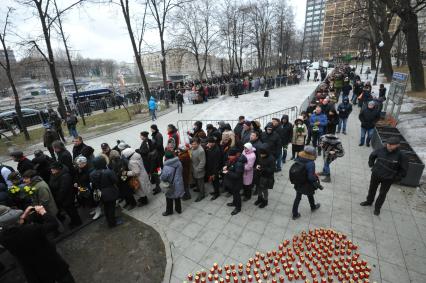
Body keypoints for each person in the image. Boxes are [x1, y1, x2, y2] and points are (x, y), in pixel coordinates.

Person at [0, 205, 76, 283]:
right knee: (65, 278)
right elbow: (53, 224)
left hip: (34, 271)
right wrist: (43, 212)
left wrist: (23, 216)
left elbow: (15, 229)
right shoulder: (32, 229)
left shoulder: (3, 238)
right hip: (51, 263)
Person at [360, 137, 408, 215]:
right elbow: (372, 155)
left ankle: (377, 208)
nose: (389, 145)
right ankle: (369, 201)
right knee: (372, 189)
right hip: (376, 175)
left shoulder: (401, 156)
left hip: (388, 179)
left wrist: (395, 178)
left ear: (397, 145)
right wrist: (371, 164)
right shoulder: (381, 149)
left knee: (382, 193)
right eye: (388, 144)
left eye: (392, 145)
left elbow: (404, 170)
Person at [290, 146, 322, 220]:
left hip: (299, 181)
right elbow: (310, 177)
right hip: (306, 183)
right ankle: (313, 207)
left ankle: (295, 214)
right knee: (310, 194)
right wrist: (316, 177)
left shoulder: (300, 157)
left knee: (298, 197)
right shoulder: (311, 163)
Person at [49, 162, 82, 229]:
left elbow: (63, 189)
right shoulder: (55, 174)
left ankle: (77, 222)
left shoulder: (65, 176)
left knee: (72, 210)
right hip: (62, 197)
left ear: (58, 169)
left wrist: (59, 198)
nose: (51, 170)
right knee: (69, 211)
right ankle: (74, 221)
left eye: (53, 169)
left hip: (67, 197)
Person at [90, 156, 121, 227]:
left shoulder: (91, 174)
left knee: (106, 207)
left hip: (100, 193)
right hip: (110, 192)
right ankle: (112, 223)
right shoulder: (108, 172)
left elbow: (93, 184)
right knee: (111, 208)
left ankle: (109, 220)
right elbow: (115, 180)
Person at [161, 150, 185, 216]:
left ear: (166, 158)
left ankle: (169, 211)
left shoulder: (167, 167)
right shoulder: (178, 162)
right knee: (177, 196)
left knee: (169, 197)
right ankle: (178, 210)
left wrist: (160, 176)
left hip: (171, 184)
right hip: (178, 182)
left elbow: (164, 177)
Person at [223, 148, 246, 215]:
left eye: (230, 155)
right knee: (234, 193)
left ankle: (238, 208)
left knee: (237, 195)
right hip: (232, 182)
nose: (228, 157)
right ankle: (234, 202)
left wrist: (227, 172)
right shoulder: (232, 160)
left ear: (234, 156)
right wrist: (226, 166)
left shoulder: (239, 164)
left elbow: (237, 175)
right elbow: (230, 165)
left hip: (237, 183)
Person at [190, 137, 206, 202]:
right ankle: (198, 189)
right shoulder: (193, 148)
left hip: (199, 170)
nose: (193, 145)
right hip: (194, 168)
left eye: (195, 144)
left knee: (200, 183)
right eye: (192, 144)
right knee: (197, 181)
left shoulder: (201, 151)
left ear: (198, 144)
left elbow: (203, 162)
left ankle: (202, 194)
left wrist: (198, 169)